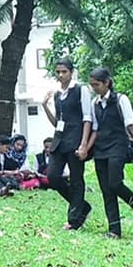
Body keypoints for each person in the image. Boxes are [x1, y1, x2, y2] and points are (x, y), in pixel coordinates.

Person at [86, 67, 133, 239]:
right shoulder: (94, 103)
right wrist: (86, 148)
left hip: (118, 146)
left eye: (96, 85)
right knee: (106, 190)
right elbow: (94, 128)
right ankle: (114, 230)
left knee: (115, 184)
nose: (94, 88)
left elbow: (131, 124)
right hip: (100, 148)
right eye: (92, 85)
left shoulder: (120, 99)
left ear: (107, 83)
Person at [41, 58, 95, 230]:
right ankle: (82, 207)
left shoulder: (80, 90)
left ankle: (74, 220)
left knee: (76, 179)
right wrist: (45, 106)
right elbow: (57, 122)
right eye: (58, 72)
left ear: (71, 72)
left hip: (76, 139)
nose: (61, 75)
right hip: (59, 140)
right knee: (53, 176)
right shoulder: (57, 94)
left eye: (64, 72)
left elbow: (87, 118)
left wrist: (84, 144)